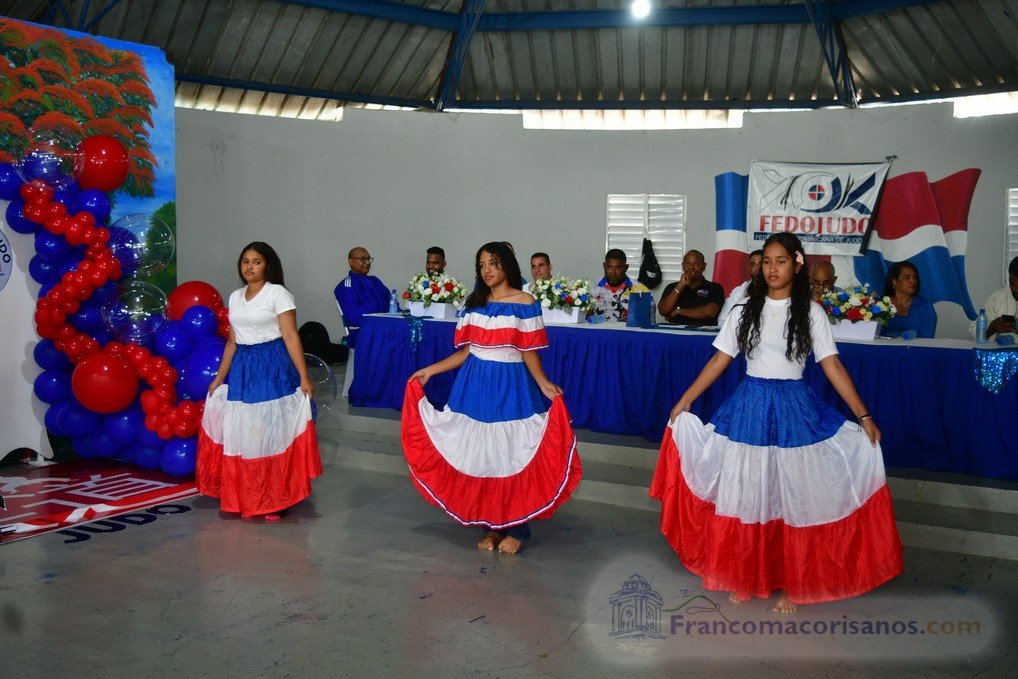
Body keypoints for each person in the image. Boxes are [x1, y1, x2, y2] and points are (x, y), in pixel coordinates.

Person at [650, 232, 902, 613]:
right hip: (749, 407)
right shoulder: (743, 310)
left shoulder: (811, 313)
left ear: (796, 265)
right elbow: (720, 360)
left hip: (794, 409)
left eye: (780, 261)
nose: (772, 269)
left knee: (791, 497)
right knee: (748, 493)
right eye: (766, 261)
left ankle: (790, 584)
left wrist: (863, 416)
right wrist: (686, 399)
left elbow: (832, 366)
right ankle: (745, 574)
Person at [400, 241, 582, 555]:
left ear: (507, 265)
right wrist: (430, 370)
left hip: (511, 385)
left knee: (511, 453)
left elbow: (529, 351)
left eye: (493, 263)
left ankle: (518, 529)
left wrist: (543, 383)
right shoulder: (474, 303)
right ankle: (492, 526)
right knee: (482, 456)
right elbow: (467, 351)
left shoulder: (525, 302)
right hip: (474, 385)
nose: (487, 270)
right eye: (482, 265)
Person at [197, 242, 323, 521]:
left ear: (268, 265)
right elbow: (232, 341)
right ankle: (249, 495)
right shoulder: (235, 297)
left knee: (272, 432)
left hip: (272, 365)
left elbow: (290, 336)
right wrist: (219, 377)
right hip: (243, 367)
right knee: (246, 432)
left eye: (256, 261)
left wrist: (304, 377)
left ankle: (277, 497)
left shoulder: (278, 294)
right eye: (245, 261)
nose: (249, 267)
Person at [334, 247, 389, 349]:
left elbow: (392, 303)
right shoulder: (347, 285)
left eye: (368, 259)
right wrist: (377, 307)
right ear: (351, 262)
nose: (367, 262)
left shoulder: (375, 281)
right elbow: (354, 316)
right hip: (363, 333)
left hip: (383, 328)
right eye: (363, 259)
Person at [657, 250, 725, 326]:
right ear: (683, 266)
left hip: (704, 331)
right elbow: (663, 311)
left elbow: (711, 311)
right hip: (676, 331)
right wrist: (680, 286)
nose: (691, 267)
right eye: (688, 263)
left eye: (696, 264)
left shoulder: (714, 287)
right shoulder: (672, 287)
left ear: (704, 266)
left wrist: (678, 311)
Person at [880, 261, 937, 338]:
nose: (913, 281)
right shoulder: (880, 304)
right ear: (894, 281)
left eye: (915, 277)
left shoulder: (925, 306)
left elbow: (927, 338)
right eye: (907, 277)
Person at [970, 256, 1018, 342]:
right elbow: (975, 333)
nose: (1016, 290)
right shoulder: (997, 298)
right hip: (1001, 349)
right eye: (1012, 284)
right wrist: (992, 328)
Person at [717, 249, 763, 325]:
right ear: (749, 268)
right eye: (753, 265)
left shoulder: (777, 290)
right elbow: (722, 321)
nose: (757, 268)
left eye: (761, 264)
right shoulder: (740, 291)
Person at [592, 249, 633, 321]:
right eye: (610, 267)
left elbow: (647, 322)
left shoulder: (640, 291)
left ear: (626, 268)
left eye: (618, 268)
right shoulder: (592, 289)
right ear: (604, 266)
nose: (613, 273)